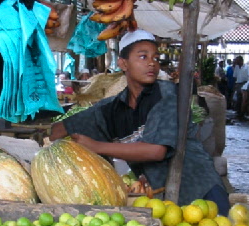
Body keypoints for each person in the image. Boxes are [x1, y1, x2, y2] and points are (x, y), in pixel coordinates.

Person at [49, 29, 230, 214]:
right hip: (166, 201)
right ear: (123, 63)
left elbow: (156, 151)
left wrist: (96, 146)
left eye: (156, 58)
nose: (152, 63)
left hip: (202, 192)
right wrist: (46, 140)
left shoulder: (168, 95)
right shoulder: (111, 108)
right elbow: (62, 128)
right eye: (143, 57)